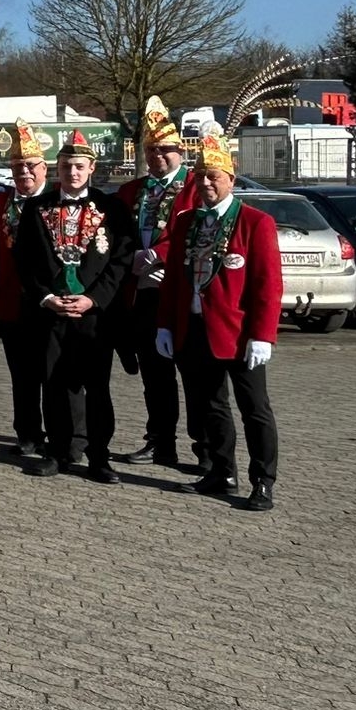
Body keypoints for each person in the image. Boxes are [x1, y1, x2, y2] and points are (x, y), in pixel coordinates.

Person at [157, 132, 282, 510]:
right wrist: (166, 323)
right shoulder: (185, 222)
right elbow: (175, 280)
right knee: (210, 404)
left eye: (214, 176)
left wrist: (263, 334)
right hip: (194, 328)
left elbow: (268, 285)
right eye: (201, 177)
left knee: (254, 409)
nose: (207, 184)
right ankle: (222, 471)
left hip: (239, 333)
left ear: (231, 178)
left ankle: (263, 480)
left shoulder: (254, 222)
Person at [18, 129, 135, 483]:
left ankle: (99, 456)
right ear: (57, 168)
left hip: (94, 315)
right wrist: (46, 297)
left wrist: (94, 298)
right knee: (53, 384)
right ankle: (56, 451)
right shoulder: (37, 208)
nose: (73, 173)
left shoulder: (112, 208)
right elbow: (24, 261)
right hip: (52, 312)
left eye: (79, 167)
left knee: (96, 386)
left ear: (92, 168)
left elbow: (121, 261)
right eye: (67, 166)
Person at [116, 96, 198, 469]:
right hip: (144, 294)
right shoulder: (133, 191)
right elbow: (117, 234)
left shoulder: (196, 186)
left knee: (197, 376)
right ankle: (161, 441)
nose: (158, 156)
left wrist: (163, 255)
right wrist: (128, 258)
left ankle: (207, 449)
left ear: (179, 150)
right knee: (155, 375)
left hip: (181, 292)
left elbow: (200, 227)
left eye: (165, 149)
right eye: (151, 150)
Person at [0, 121, 50, 457]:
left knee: (55, 374)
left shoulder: (56, 202)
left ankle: (64, 435)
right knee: (22, 376)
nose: (24, 172)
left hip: (50, 303)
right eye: (16, 167)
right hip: (13, 303)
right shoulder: (0, 204)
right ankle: (27, 433)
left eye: (30, 166)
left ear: (44, 168)